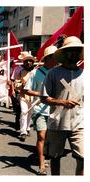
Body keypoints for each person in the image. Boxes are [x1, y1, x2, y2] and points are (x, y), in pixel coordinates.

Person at [41, 36, 84, 175]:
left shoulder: (85, 74)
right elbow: (44, 98)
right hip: (57, 122)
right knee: (55, 157)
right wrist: (62, 102)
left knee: (83, 157)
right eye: (71, 50)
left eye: (77, 50)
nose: (74, 53)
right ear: (65, 53)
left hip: (80, 123)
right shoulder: (53, 73)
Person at [23, 45, 58, 175]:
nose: (57, 60)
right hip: (39, 110)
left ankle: (44, 157)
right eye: (55, 57)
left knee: (49, 138)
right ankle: (41, 164)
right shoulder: (35, 73)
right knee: (41, 136)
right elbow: (26, 90)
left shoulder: (58, 72)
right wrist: (41, 94)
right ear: (48, 58)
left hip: (54, 110)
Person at [14, 51, 36, 142]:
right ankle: (22, 132)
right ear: (24, 62)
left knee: (30, 114)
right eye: (26, 61)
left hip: (33, 96)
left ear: (32, 62)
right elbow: (16, 84)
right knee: (23, 112)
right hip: (23, 96)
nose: (28, 62)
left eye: (30, 61)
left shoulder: (36, 71)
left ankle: (27, 129)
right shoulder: (20, 71)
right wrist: (21, 85)